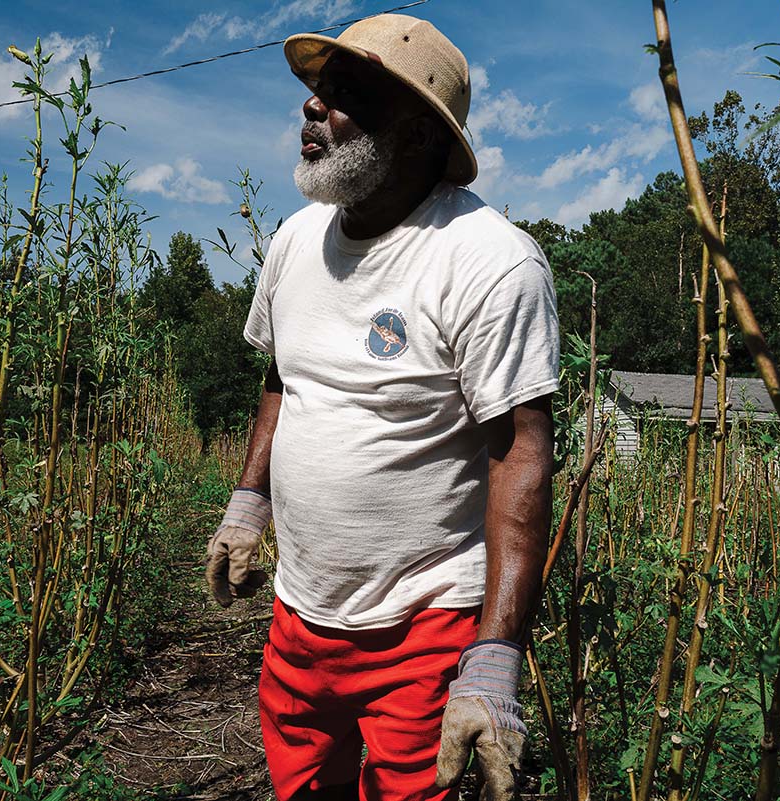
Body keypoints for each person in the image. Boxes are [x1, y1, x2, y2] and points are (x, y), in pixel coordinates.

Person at [204, 13, 559, 801]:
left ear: (416, 137)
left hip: (424, 626)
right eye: (317, 92)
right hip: (302, 613)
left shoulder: (488, 263)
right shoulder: (295, 241)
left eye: (347, 95)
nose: (313, 108)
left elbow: (522, 451)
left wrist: (494, 660)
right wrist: (247, 504)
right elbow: (280, 378)